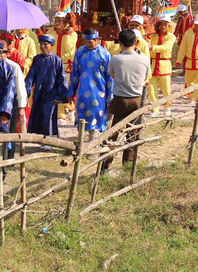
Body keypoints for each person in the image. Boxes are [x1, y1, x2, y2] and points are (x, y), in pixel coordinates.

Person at [106, 29, 151, 169]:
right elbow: (146, 77)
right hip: (137, 99)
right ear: (136, 42)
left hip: (120, 99)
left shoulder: (115, 59)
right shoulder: (144, 59)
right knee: (133, 134)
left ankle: (106, 166)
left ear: (120, 43)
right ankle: (128, 165)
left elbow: (112, 75)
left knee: (113, 134)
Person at [69, 29, 113, 133]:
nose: (87, 44)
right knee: (82, 120)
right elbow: (75, 73)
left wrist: (110, 96)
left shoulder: (105, 54)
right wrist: (71, 92)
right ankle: (81, 145)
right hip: (82, 93)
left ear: (97, 39)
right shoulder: (80, 51)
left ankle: (94, 145)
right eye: (85, 42)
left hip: (99, 94)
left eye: (90, 42)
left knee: (96, 120)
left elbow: (109, 77)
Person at [24, 34, 67, 136]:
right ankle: (42, 140)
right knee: (39, 116)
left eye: (45, 44)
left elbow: (62, 80)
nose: (43, 46)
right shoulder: (37, 59)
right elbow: (31, 77)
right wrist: (26, 91)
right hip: (39, 94)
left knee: (49, 117)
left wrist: (58, 96)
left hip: (51, 95)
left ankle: (50, 140)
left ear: (52, 45)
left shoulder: (57, 60)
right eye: (41, 44)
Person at [144, 15, 177, 114]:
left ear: (169, 26)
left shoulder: (171, 36)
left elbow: (166, 47)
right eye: (161, 24)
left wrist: (152, 47)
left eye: (165, 25)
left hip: (164, 64)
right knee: (152, 88)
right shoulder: (153, 36)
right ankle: (154, 109)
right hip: (153, 64)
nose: (163, 27)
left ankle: (167, 107)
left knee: (166, 88)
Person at [175, 11, 198, 93]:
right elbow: (183, 48)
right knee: (189, 82)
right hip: (189, 62)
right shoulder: (188, 33)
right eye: (196, 24)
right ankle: (193, 96)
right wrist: (179, 60)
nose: (197, 26)